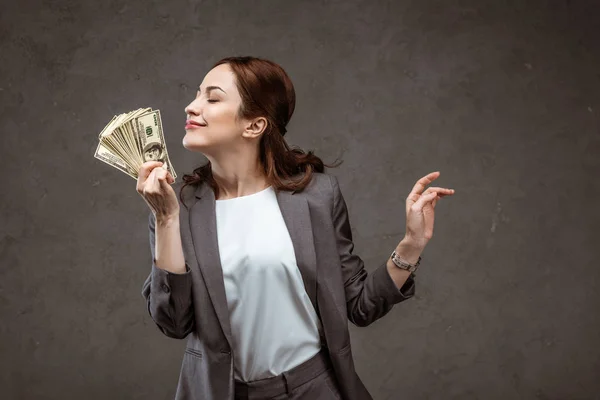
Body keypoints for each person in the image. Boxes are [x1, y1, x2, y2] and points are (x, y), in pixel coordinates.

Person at [136, 56, 455, 400]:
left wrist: (411, 243)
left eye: (212, 98)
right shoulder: (178, 207)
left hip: (313, 389)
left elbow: (360, 306)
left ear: (255, 126)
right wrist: (166, 219)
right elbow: (172, 322)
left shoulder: (316, 196)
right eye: (197, 95)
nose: (191, 106)